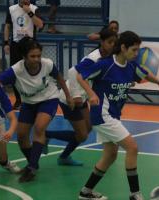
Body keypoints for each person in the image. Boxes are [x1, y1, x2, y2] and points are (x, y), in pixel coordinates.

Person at [76, 31, 159, 200]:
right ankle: (135, 195)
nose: (136, 54)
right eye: (133, 50)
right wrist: (91, 94)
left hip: (113, 115)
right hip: (102, 115)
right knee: (132, 147)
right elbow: (80, 76)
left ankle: (86, 192)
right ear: (123, 48)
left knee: (110, 155)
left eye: (137, 50)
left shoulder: (131, 66)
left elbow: (145, 74)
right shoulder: (105, 65)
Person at [0, 37, 74, 183]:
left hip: (48, 99)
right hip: (28, 103)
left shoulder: (47, 64)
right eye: (33, 56)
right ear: (24, 57)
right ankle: (33, 162)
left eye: (39, 55)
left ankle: (31, 168)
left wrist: (68, 96)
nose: (37, 59)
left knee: (39, 127)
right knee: (22, 136)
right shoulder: (16, 70)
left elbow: (60, 79)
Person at [45, 28, 118, 166]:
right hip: (70, 99)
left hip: (82, 97)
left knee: (88, 128)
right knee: (82, 135)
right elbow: (73, 72)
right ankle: (47, 135)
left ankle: (63, 156)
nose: (113, 45)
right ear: (102, 42)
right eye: (110, 42)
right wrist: (75, 95)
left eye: (115, 42)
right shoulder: (94, 58)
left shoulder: (109, 57)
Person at [4, 0, 44, 109]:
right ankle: (18, 100)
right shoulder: (12, 9)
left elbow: (40, 25)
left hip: (30, 44)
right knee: (15, 72)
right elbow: (7, 26)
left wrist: (29, 12)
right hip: (16, 44)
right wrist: (6, 43)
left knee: (31, 71)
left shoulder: (34, 9)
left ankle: (33, 99)